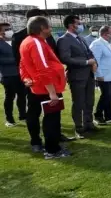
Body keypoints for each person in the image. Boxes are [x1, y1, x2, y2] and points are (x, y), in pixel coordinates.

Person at [19, 16, 69, 159]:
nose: (51, 29)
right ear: (42, 28)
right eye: (49, 26)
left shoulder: (29, 41)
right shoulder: (36, 43)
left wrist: (25, 78)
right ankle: (52, 150)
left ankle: (44, 145)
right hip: (46, 88)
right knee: (52, 118)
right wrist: (52, 92)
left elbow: (23, 64)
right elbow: (43, 68)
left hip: (38, 86)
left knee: (37, 114)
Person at [11, 9, 57, 125]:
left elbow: (54, 55)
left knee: (52, 113)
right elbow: (20, 61)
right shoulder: (22, 37)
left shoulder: (47, 36)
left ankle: (55, 136)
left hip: (50, 80)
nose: (49, 25)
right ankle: (39, 140)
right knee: (35, 110)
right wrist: (25, 78)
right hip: (36, 81)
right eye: (45, 20)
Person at [57, 15, 97, 138]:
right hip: (77, 75)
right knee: (79, 102)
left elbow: (89, 53)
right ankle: (79, 128)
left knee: (89, 101)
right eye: (78, 23)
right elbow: (65, 58)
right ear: (70, 25)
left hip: (89, 74)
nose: (80, 25)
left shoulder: (81, 38)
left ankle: (89, 123)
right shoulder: (63, 40)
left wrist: (94, 62)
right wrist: (86, 62)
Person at [89, 25, 111, 124]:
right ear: (105, 34)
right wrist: (99, 75)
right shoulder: (97, 44)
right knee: (105, 96)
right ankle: (98, 116)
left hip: (110, 74)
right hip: (103, 75)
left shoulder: (106, 43)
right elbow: (95, 61)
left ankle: (109, 115)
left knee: (110, 95)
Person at [1, 22, 25, 127]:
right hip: (7, 74)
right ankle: (9, 119)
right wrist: (16, 60)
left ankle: (23, 115)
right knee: (10, 96)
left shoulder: (16, 41)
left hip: (20, 73)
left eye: (9, 28)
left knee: (22, 95)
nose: (9, 31)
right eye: (6, 29)